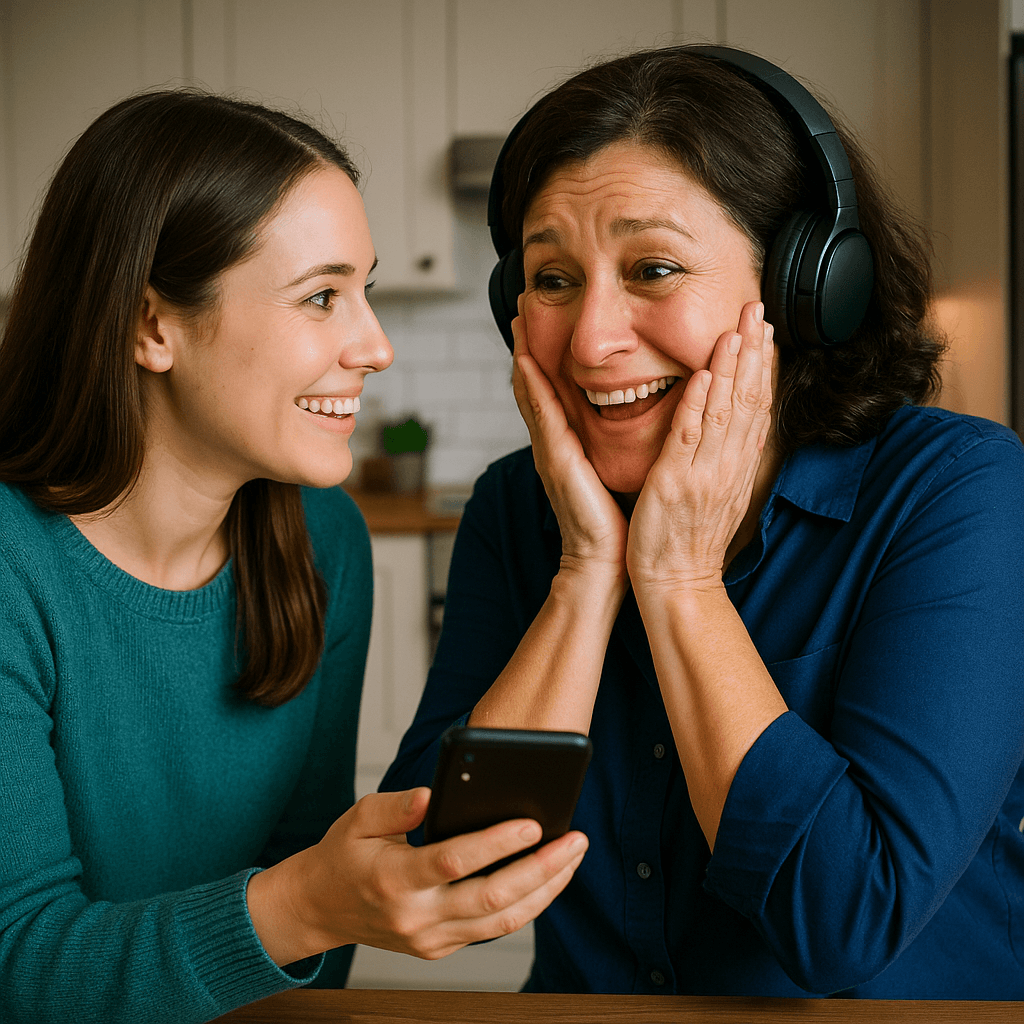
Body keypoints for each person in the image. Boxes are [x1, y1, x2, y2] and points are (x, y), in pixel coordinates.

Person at [382, 45, 1024, 998]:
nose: (593, 342)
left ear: (807, 289)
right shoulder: (517, 509)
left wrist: (678, 584)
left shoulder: (958, 491)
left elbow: (846, 920)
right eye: (553, 279)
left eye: (653, 267)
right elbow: (452, 882)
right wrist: (586, 574)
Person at [0, 90, 587, 1024]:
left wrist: (323, 899)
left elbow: (305, 912)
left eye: (365, 288)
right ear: (154, 326)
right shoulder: (13, 573)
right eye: (322, 296)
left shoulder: (323, 544)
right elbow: (17, 965)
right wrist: (312, 901)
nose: (377, 345)